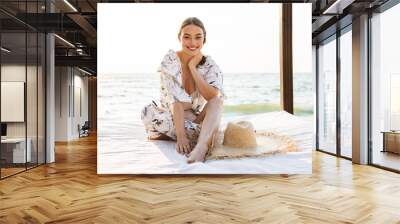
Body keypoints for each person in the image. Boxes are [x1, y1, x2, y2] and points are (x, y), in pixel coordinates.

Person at [141, 17, 225, 163]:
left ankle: (201, 146)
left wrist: (193, 68)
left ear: (204, 39)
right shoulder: (170, 60)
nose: (192, 43)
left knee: (218, 101)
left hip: (196, 119)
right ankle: (205, 133)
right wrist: (181, 136)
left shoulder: (209, 64)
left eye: (198, 37)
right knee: (147, 111)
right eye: (187, 37)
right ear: (179, 38)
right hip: (173, 117)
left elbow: (212, 95)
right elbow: (177, 102)